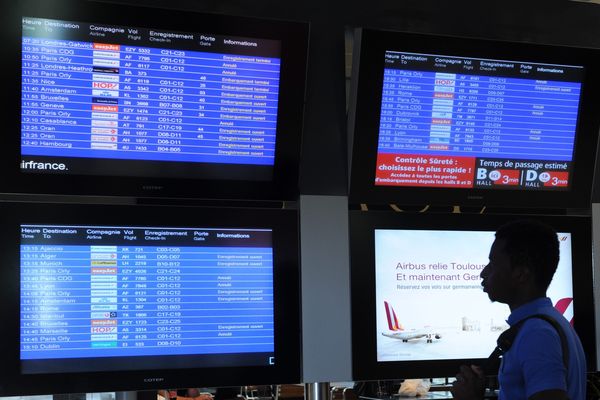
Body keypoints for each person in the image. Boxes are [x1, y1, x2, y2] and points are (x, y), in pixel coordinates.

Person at [451, 219, 586, 400]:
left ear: (521, 274)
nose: (483, 273)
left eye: (492, 264)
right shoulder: (548, 322)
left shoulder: (536, 333)